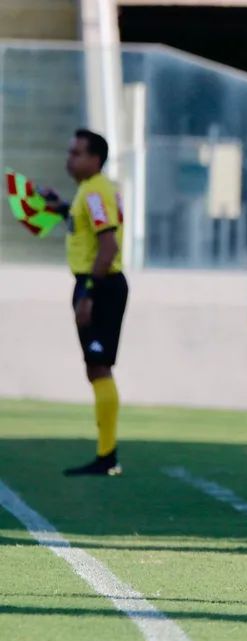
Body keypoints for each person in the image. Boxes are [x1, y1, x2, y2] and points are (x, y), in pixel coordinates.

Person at [42, 130, 129, 476]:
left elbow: (108, 247)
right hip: (97, 283)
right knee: (95, 367)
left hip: (101, 284)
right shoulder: (91, 190)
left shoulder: (94, 191)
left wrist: (89, 293)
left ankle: (107, 456)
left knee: (99, 366)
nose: (70, 158)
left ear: (95, 159)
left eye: (76, 153)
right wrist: (63, 207)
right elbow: (91, 228)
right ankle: (106, 454)